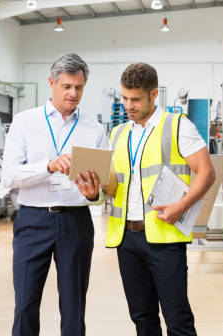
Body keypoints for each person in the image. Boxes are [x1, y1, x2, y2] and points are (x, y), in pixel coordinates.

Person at [79, 62, 215, 336]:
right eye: (125, 98)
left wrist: (182, 206)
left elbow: (207, 173)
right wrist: (94, 188)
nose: (129, 105)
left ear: (154, 95)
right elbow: (115, 187)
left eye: (136, 99)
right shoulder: (118, 133)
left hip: (164, 238)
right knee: (142, 318)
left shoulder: (177, 126)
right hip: (127, 240)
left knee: (177, 319)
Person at [2, 53, 108, 336]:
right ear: (51, 83)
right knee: (25, 304)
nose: (73, 94)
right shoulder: (25, 122)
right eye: (67, 86)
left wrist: (94, 193)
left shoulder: (95, 129)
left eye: (79, 87)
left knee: (74, 306)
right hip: (32, 221)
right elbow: (9, 176)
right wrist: (47, 167)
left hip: (76, 222)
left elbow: (103, 191)